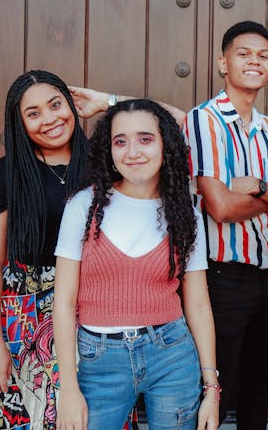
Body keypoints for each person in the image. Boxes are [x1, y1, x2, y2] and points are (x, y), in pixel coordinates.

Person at [53, 99, 219, 430]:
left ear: (165, 145)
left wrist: (211, 387)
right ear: (108, 149)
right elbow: (64, 301)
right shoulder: (83, 206)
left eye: (145, 138)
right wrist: (68, 389)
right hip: (98, 361)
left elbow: (198, 305)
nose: (132, 151)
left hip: (172, 355)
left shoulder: (185, 212)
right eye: (120, 141)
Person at [183, 20, 268, 429]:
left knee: (261, 384)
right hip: (222, 278)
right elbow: (220, 208)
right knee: (219, 384)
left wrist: (257, 187)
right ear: (222, 63)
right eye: (243, 53)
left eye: (263, 56)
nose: (255, 61)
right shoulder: (203, 121)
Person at [0, 70, 88, 429]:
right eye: (33, 113)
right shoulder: (5, 174)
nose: (50, 119)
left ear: (72, 104)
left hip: (94, 313)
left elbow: (179, 127)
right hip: (23, 318)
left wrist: (106, 102)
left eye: (56, 105)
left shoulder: (107, 162)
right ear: (19, 123)